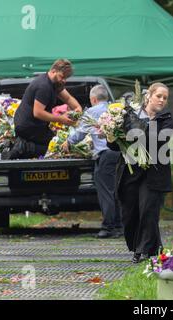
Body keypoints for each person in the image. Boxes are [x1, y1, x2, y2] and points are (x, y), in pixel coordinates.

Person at [107, 82, 173, 264]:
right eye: (158, 95)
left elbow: (157, 139)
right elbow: (114, 145)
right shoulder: (129, 114)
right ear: (149, 96)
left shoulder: (165, 119)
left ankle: (143, 250)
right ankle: (145, 247)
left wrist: (134, 128)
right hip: (129, 171)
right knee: (130, 213)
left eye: (165, 97)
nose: (161, 100)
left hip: (153, 173)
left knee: (148, 211)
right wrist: (110, 134)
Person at [63, 85, 122, 239]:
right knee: (116, 191)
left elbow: (80, 133)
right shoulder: (114, 110)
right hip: (119, 155)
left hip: (105, 155)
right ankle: (119, 225)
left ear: (93, 99)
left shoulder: (91, 112)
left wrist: (68, 142)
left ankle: (108, 227)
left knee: (106, 192)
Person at [3, 59, 82, 159]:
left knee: (54, 142)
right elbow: (38, 113)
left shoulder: (55, 83)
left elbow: (68, 98)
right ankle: (23, 147)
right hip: (27, 126)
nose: (64, 80)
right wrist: (61, 119)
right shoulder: (44, 86)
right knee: (56, 145)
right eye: (62, 77)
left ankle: (24, 146)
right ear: (54, 71)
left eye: (66, 78)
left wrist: (78, 108)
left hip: (37, 126)